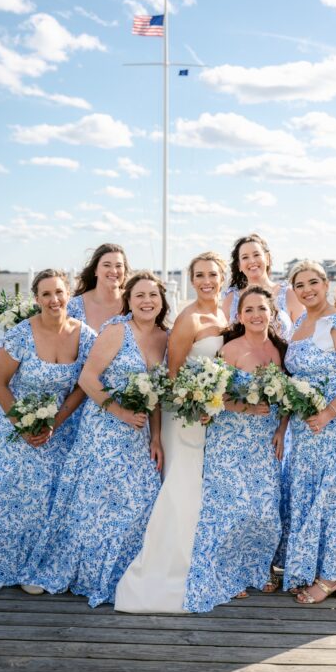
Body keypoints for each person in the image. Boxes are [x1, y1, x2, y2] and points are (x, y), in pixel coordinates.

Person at [29, 271, 167, 603]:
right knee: (96, 502)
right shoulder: (117, 331)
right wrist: (119, 411)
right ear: (129, 302)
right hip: (104, 427)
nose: (147, 301)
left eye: (153, 295)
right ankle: (77, 570)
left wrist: (157, 437)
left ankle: (121, 570)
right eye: (139, 296)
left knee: (139, 502)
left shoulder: (166, 337)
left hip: (139, 433)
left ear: (162, 301)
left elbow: (158, 394)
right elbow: (89, 378)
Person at [116, 252, 229, 614]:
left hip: (209, 417)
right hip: (186, 418)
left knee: (200, 491)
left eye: (212, 274)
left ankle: (200, 559)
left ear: (223, 276)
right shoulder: (188, 319)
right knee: (182, 488)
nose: (206, 280)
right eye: (199, 275)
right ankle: (169, 571)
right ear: (192, 279)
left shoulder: (224, 314)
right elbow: (172, 379)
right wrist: (197, 405)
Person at [0, 269, 89, 598]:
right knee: (8, 493)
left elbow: (84, 385)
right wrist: (23, 425)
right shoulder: (20, 335)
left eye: (59, 292)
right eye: (46, 294)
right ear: (36, 299)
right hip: (18, 425)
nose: (54, 300)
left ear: (69, 295)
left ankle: (41, 567)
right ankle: (3, 567)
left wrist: (56, 422)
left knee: (54, 498)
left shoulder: (85, 335)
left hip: (62, 428)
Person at [185, 285, 286, 611]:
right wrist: (245, 408)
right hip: (230, 439)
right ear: (240, 316)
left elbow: (287, 400)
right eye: (249, 310)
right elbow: (211, 397)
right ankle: (227, 571)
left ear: (271, 313)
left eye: (262, 309)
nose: (256, 315)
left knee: (264, 509)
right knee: (229, 508)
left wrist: (282, 431)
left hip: (265, 440)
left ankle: (258, 567)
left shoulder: (281, 350)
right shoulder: (230, 349)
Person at [281, 261, 336, 604]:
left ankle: (333, 574)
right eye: (300, 285)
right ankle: (305, 566)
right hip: (307, 428)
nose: (307, 290)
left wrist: (329, 413)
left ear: (327, 283)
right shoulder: (301, 323)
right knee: (307, 493)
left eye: (313, 282)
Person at [223, 233, 300, 336]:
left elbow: (304, 334)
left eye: (256, 255)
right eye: (245, 257)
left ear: (267, 259)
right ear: (239, 265)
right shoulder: (231, 298)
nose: (252, 261)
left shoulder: (289, 293)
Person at [66, 243, 127, 329]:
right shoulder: (73, 307)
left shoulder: (134, 302)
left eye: (118, 266)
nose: (114, 270)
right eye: (106, 265)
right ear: (95, 270)